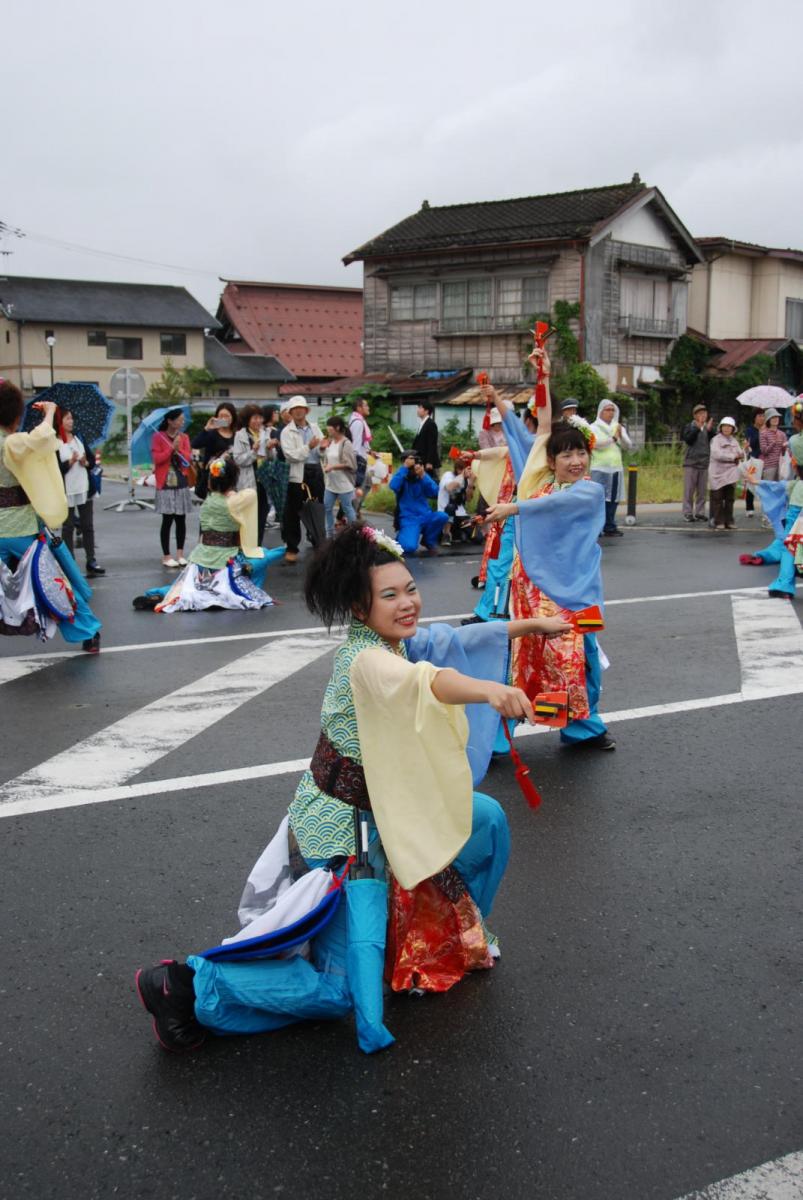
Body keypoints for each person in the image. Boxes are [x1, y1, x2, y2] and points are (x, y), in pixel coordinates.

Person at [134, 524, 570, 1053]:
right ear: (359, 609)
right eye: (390, 595)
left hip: (388, 812)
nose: (408, 602)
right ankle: (186, 983)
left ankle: (438, 939)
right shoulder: (366, 661)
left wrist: (532, 625)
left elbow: (460, 636)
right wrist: (490, 690)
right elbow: (428, 681)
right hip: (344, 837)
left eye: (410, 588)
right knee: (338, 992)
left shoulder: (392, 643)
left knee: (486, 822)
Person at [483, 349, 615, 751]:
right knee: (529, 659)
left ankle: (581, 727)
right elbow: (535, 430)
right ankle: (503, 735)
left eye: (581, 453)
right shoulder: (538, 481)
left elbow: (555, 505)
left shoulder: (589, 491)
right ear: (552, 460)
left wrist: (515, 506)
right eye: (566, 454)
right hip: (536, 592)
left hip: (581, 593)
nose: (576, 461)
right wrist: (529, 380)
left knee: (584, 659)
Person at [0, 382, 101, 652]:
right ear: (14, 413)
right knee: (53, 584)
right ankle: (88, 630)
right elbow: (43, 438)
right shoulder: (12, 443)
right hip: (21, 529)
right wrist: (50, 412)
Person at [133, 457, 281, 613]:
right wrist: (231, 491)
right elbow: (251, 493)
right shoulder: (234, 501)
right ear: (232, 481)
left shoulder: (208, 502)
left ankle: (164, 594)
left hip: (200, 559)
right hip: (226, 559)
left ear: (211, 481)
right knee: (264, 555)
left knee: (186, 586)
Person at [56, 408, 104, 577]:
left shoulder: (79, 437)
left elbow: (91, 460)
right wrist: (70, 461)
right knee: (68, 526)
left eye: (71, 418)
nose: (71, 422)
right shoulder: (55, 442)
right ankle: (69, 562)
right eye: (67, 419)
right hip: (66, 489)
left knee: (87, 525)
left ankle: (91, 560)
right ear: (59, 421)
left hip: (84, 486)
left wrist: (85, 462)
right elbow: (55, 469)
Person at [279, 397, 324, 563]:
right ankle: (292, 547)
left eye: (301, 408)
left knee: (317, 508)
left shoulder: (315, 428)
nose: (298, 411)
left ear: (307, 410)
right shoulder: (286, 432)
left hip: (316, 471)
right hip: (297, 475)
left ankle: (318, 541)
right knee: (293, 512)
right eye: (295, 409)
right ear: (290, 412)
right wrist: (309, 447)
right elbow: (290, 455)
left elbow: (321, 452)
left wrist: (322, 448)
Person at [152, 408, 193, 568]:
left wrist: (179, 449)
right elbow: (157, 459)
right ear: (170, 421)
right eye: (179, 419)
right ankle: (167, 555)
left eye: (183, 420)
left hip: (181, 481)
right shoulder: (158, 437)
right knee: (167, 519)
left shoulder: (184, 437)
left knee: (181, 519)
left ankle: (180, 554)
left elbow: (187, 458)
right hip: (166, 483)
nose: (181, 422)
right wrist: (170, 448)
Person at [389, 452, 448, 555]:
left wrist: (423, 476)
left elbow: (435, 492)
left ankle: (428, 541)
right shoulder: (402, 476)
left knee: (442, 516)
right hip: (409, 518)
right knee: (409, 547)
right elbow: (393, 486)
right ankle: (401, 537)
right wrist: (405, 468)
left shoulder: (422, 478)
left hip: (426, 515)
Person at [590, 399, 632, 537]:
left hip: (615, 468)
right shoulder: (593, 427)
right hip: (599, 468)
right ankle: (597, 526)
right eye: (608, 410)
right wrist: (613, 439)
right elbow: (596, 444)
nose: (611, 413)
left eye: (613, 410)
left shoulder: (617, 427)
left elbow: (628, 446)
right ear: (601, 411)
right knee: (599, 498)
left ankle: (610, 525)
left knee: (613, 498)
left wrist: (621, 436)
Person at [233, 404, 270, 544]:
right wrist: (253, 451)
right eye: (255, 417)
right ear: (247, 419)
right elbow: (238, 459)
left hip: (263, 480)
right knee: (248, 516)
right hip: (248, 482)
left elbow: (270, 457)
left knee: (262, 515)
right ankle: (245, 546)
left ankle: (257, 545)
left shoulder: (264, 433)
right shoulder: (240, 435)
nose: (258, 421)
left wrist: (270, 448)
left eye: (260, 417)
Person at [191, 402, 238, 500]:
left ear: (233, 417)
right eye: (221, 416)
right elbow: (195, 444)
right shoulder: (212, 433)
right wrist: (206, 429)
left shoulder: (236, 435)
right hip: (213, 477)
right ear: (216, 417)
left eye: (227, 416)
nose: (224, 419)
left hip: (231, 478)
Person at [321, 415, 358, 537]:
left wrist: (332, 467)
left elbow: (350, 464)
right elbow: (326, 458)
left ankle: (355, 532)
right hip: (331, 482)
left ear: (337, 427)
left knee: (347, 508)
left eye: (329, 426)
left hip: (344, 482)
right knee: (327, 507)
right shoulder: (330, 442)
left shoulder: (346, 443)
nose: (328, 429)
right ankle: (329, 534)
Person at [708, 417, 744, 530]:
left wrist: (744, 451)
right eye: (725, 426)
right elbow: (716, 454)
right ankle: (718, 521)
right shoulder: (715, 440)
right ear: (721, 427)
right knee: (717, 498)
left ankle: (729, 520)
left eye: (729, 426)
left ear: (733, 429)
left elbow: (740, 453)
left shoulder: (734, 441)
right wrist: (733, 457)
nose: (727, 428)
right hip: (717, 473)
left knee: (729, 499)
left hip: (731, 474)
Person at [682, 404, 714, 522]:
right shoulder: (689, 426)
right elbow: (688, 440)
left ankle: (700, 512)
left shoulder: (708, 427)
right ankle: (687, 512)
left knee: (702, 491)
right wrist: (697, 428)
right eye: (700, 413)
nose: (703, 416)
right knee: (689, 490)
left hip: (704, 462)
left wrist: (710, 431)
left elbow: (713, 439)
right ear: (695, 415)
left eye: (704, 413)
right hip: (691, 462)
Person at [437, 455, 474, 546]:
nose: (461, 471)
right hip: (445, 514)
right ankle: (446, 534)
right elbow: (449, 487)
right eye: (460, 469)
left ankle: (459, 534)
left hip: (460, 515)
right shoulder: (448, 475)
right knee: (451, 507)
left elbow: (468, 499)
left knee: (477, 537)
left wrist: (471, 483)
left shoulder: (466, 479)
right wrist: (462, 475)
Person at [348, 396, 372, 499]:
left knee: (366, 484)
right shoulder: (358, 423)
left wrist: (370, 451)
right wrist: (355, 464)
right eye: (365, 405)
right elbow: (355, 445)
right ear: (359, 408)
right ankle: (349, 513)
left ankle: (351, 511)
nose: (368, 407)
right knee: (357, 489)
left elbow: (362, 443)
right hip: (358, 461)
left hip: (360, 458)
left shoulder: (358, 420)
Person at [742, 408, 765, 517]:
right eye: (759, 416)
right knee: (751, 482)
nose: (762, 418)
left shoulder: (767, 429)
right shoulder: (749, 430)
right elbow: (751, 444)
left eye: (763, 416)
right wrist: (760, 432)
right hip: (753, 460)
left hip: (764, 460)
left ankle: (765, 508)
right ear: (754, 418)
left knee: (764, 483)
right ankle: (749, 508)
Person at [759, 408, 788, 480]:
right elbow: (764, 451)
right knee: (768, 489)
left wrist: (785, 447)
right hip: (769, 466)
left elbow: (784, 452)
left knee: (779, 489)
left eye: (777, 417)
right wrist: (774, 442)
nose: (776, 419)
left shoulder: (782, 434)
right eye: (773, 417)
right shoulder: (763, 433)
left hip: (781, 465)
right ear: (768, 419)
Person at [412, 401, 441, 476]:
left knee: (429, 481)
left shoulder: (431, 424)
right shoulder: (423, 423)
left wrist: (429, 462)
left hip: (426, 461)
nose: (418, 410)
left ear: (426, 411)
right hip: (420, 459)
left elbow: (432, 444)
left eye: (420, 408)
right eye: (418, 408)